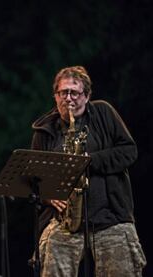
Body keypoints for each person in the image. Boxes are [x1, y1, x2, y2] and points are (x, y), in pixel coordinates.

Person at [31, 66, 146, 276]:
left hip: (110, 218)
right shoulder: (44, 131)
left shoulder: (103, 112)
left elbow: (129, 151)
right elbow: (33, 177)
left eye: (74, 92)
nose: (68, 98)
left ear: (87, 95)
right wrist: (47, 195)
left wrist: (88, 161)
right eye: (62, 92)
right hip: (65, 222)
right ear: (55, 96)